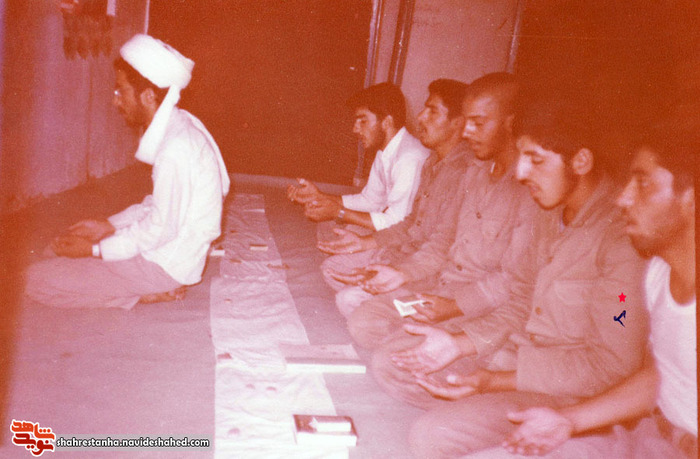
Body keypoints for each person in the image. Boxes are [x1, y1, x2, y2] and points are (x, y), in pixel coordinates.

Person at [372, 95, 649, 458]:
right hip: (513, 353)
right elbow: (520, 298)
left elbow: (612, 366)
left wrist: (492, 382)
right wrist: (460, 344)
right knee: (393, 365)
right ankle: (486, 419)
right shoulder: (549, 212)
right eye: (521, 157)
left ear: (581, 161)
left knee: (431, 435)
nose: (520, 173)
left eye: (536, 160)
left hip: (569, 390)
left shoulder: (622, 240)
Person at [466, 127, 696, 458]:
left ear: (691, 199)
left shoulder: (623, 248)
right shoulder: (658, 275)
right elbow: (658, 374)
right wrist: (569, 421)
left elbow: (616, 342)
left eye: (643, 183)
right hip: (650, 432)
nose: (623, 198)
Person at [24, 34, 230, 309]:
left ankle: (142, 295)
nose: (116, 101)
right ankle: (135, 287)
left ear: (148, 96)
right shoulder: (178, 128)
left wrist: (95, 250)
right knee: (54, 250)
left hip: (162, 265)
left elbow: (161, 229)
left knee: (31, 280)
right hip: (161, 250)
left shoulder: (175, 148)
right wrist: (109, 225)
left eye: (121, 91)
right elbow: (157, 206)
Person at [345, 73, 538, 349]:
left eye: (477, 123)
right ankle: (410, 339)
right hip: (440, 287)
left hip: (477, 305)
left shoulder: (530, 189)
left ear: (511, 123)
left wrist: (454, 306)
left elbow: (513, 281)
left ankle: (421, 344)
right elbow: (442, 240)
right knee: (364, 321)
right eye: (466, 121)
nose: (466, 132)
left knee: (385, 349)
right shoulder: (474, 172)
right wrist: (402, 273)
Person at [316, 79, 471, 316]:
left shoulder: (424, 161)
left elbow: (437, 246)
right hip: (401, 248)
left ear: (458, 122)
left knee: (350, 301)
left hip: (420, 263)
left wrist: (398, 270)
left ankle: (384, 305)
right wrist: (327, 202)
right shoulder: (431, 162)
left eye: (432, 111)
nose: (420, 117)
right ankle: (379, 300)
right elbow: (400, 217)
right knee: (332, 266)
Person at [286, 82, 429, 232]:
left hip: (412, 235)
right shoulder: (386, 151)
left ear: (386, 122)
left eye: (363, 121)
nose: (355, 129)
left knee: (340, 229)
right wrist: (320, 197)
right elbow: (370, 201)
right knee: (330, 225)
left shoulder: (409, 158)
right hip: (394, 226)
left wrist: (339, 212)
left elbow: (396, 223)